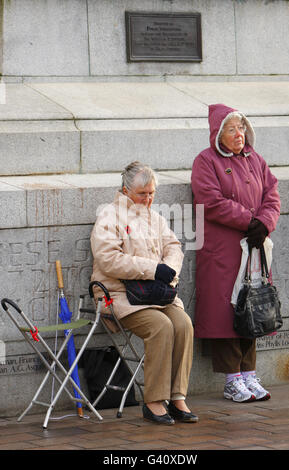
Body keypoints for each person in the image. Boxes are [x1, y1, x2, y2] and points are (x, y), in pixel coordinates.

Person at [90, 161, 198, 424]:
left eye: (151, 193)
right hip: (119, 296)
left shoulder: (155, 217)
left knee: (183, 324)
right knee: (161, 326)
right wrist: (153, 269)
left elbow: (174, 247)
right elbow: (108, 260)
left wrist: (168, 270)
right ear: (126, 190)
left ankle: (177, 396)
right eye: (143, 194)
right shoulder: (109, 216)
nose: (148, 199)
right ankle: (153, 401)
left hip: (156, 294)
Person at [191, 104, 280, 403]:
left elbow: (272, 194)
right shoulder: (206, 161)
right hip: (223, 251)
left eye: (241, 127)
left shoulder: (256, 159)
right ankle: (232, 379)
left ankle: (250, 374)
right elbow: (210, 201)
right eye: (231, 129)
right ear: (218, 133)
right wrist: (249, 221)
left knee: (253, 307)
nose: (239, 134)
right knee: (227, 311)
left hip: (253, 248)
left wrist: (265, 223)